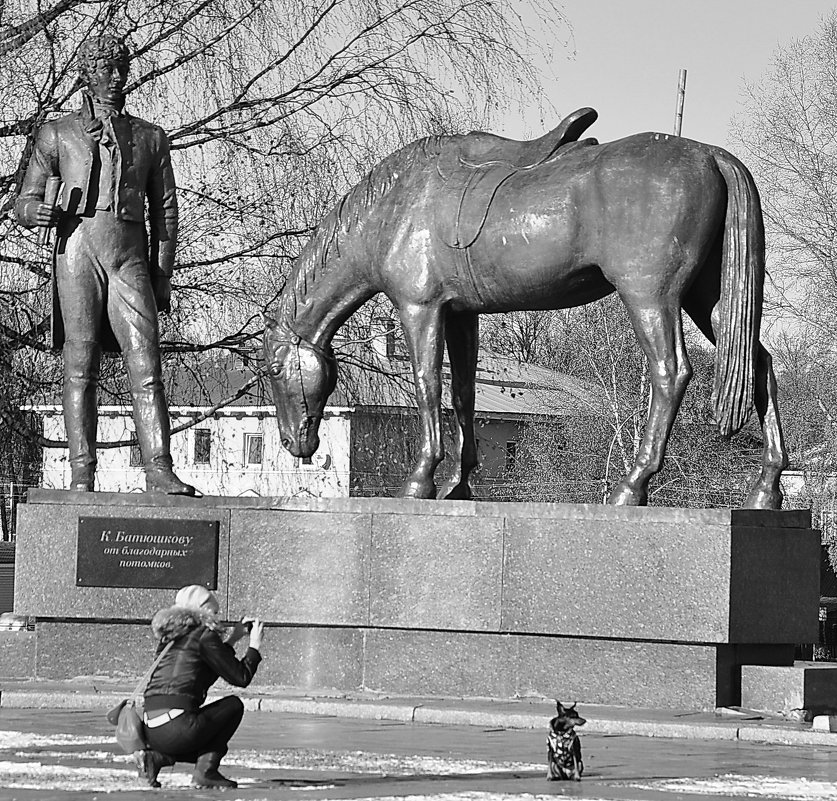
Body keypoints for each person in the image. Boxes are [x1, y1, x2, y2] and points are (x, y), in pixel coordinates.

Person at [15, 33, 195, 495]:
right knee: (80, 362)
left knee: (146, 360)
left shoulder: (151, 138)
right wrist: (37, 212)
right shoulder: (57, 134)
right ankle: (81, 475)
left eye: (122, 67)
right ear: (88, 75)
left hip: (129, 253)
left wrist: (161, 275)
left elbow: (166, 210)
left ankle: (158, 468)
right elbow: (25, 201)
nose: (117, 77)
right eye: (106, 68)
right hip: (77, 250)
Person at [138, 584, 264, 789]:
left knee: (197, 724)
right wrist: (254, 646)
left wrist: (233, 638)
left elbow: (202, 674)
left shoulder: (170, 638)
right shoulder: (204, 634)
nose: (217, 617)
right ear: (203, 611)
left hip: (152, 729)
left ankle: (157, 757)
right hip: (178, 727)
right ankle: (206, 771)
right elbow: (241, 677)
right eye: (214, 611)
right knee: (233, 706)